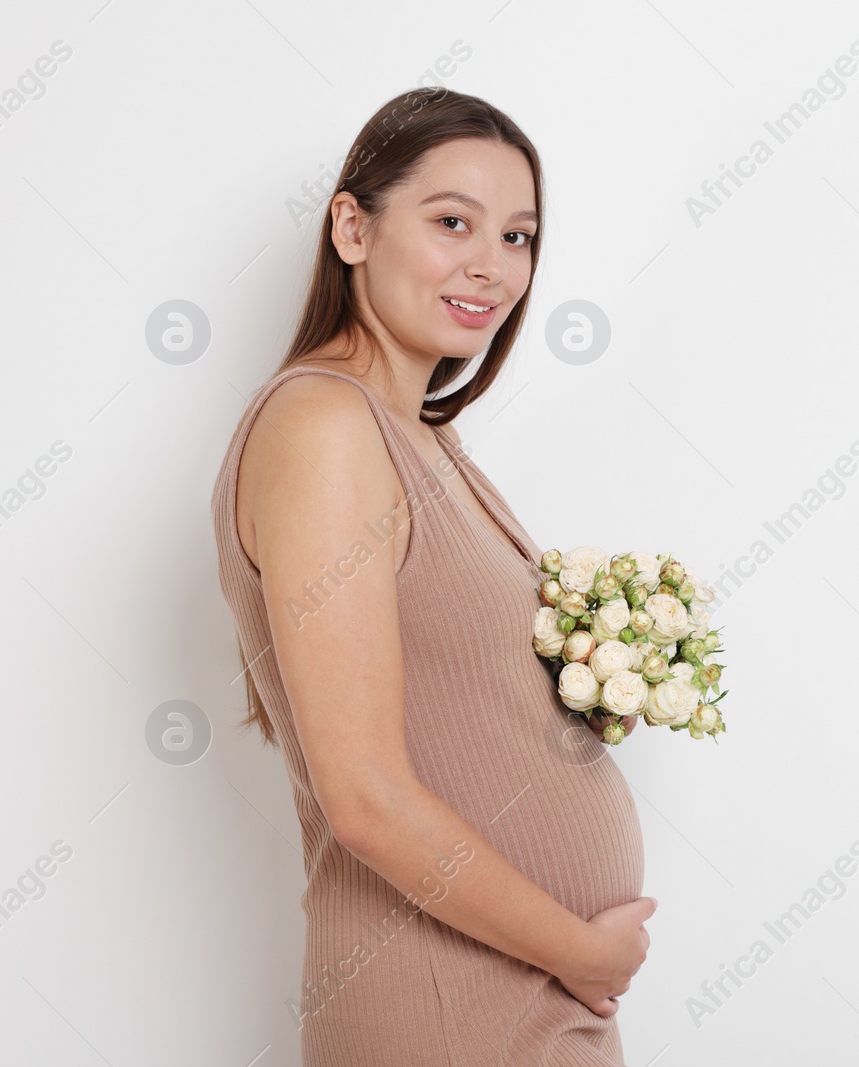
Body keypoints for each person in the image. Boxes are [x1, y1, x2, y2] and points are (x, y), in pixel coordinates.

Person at [209, 87, 655, 1066]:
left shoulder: (424, 437)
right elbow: (364, 794)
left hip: (519, 993)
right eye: (452, 221)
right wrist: (580, 948)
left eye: (518, 236)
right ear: (352, 227)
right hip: (446, 1005)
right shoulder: (324, 427)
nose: (490, 266)